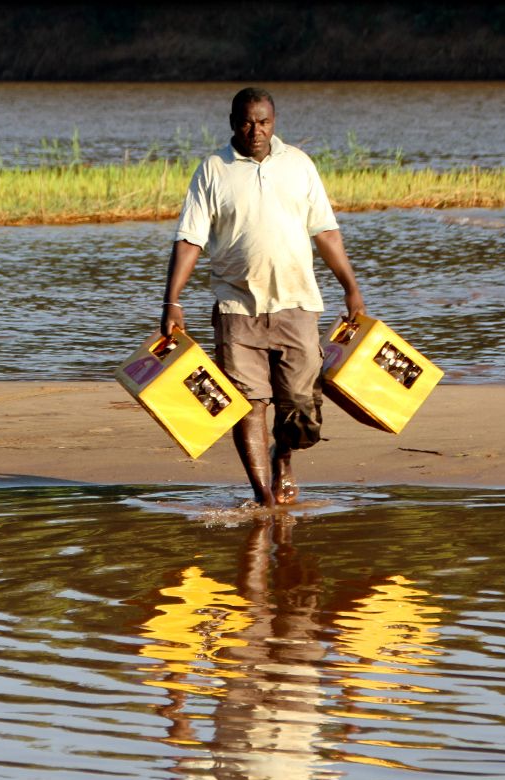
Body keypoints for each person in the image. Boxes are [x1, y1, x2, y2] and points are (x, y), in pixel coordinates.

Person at [160, 86, 367, 507]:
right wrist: (171, 302)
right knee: (248, 405)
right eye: (247, 122)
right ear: (233, 122)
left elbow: (325, 232)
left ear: (275, 121)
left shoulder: (299, 165)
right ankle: (264, 497)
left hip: (297, 304)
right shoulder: (213, 169)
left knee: (302, 409)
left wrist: (351, 287)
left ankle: (284, 456)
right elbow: (189, 240)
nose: (256, 130)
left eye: (264, 121)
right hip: (237, 309)